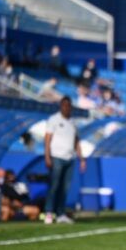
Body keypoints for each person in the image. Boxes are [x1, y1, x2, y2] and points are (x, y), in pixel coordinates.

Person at [44, 96, 86, 224]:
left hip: (70, 158)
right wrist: (47, 156)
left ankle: (61, 213)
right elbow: (47, 139)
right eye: (64, 105)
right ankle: (49, 213)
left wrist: (82, 158)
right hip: (56, 157)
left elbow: (76, 141)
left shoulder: (73, 123)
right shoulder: (53, 120)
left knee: (65, 188)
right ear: (61, 106)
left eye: (69, 106)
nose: (67, 108)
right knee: (54, 186)